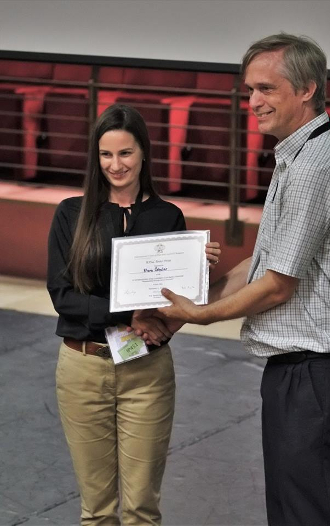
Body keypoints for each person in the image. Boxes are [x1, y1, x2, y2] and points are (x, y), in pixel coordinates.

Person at [156, 33, 330, 526]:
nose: (253, 102)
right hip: (303, 374)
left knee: (310, 513)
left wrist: (199, 314)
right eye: (249, 91)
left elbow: (277, 285)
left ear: (307, 89)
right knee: (293, 509)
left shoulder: (312, 167)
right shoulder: (302, 154)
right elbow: (261, 264)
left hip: (315, 376)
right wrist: (184, 308)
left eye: (266, 89)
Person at [47, 103, 220, 526]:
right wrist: (130, 313)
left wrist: (197, 267)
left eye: (125, 153)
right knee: (97, 511)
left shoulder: (168, 216)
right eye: (106, 154)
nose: (115, 164)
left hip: (147, 370)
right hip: (82, 368)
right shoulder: (72, 213)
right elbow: (63, 296)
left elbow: (175, 302)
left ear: (143, 153)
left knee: (142, 509)